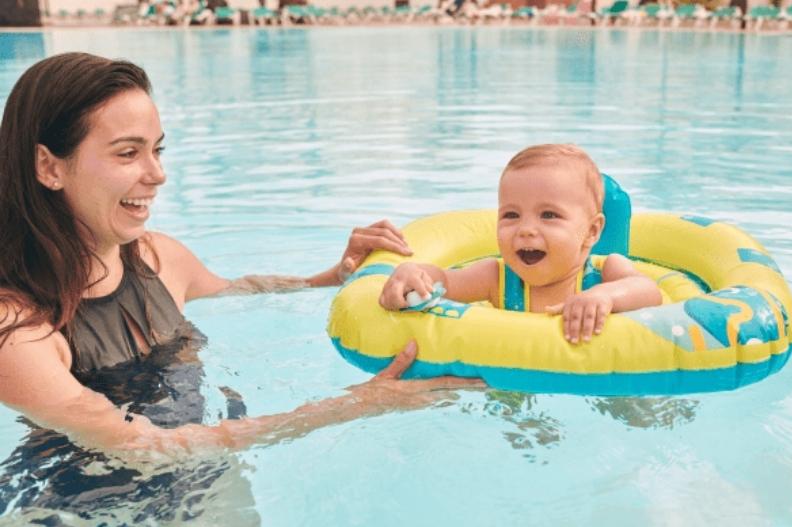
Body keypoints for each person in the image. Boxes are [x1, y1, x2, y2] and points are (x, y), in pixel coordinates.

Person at [0, 52, 484, 459]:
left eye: (157, 151)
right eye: (128, 153)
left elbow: (238, 292)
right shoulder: (18, 330)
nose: (157, 174)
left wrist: (333, 276)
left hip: (207, 474)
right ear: (49, 167)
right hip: (83, 511)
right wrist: (355, 405)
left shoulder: (156, 257)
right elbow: (143, 448)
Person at [379, 143, 663, 344]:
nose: (525, 230)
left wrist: (604, 296)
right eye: (511, 215)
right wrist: (415, 274)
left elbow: (648, 291)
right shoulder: (496, 279)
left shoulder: (605, 271)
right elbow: (446, 281)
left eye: (548, 215)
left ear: (591, 231)